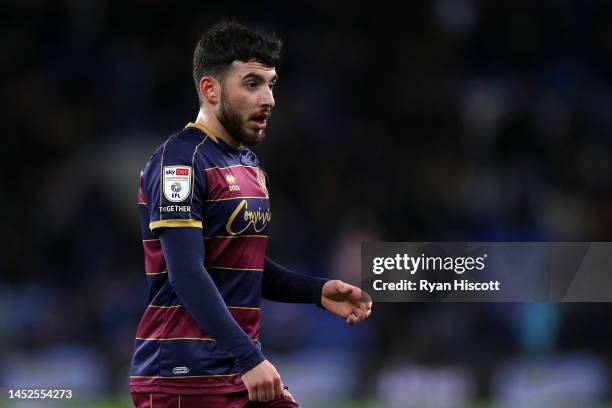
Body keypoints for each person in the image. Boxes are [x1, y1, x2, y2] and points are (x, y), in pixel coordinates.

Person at [130, 21, 372, 408]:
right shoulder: (180, 162)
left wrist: (315, 290)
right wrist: (249, 356)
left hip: (238, 369)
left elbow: (242, 264)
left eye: (271, 84)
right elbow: (187, 272)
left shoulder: (249, 165)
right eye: (252, 83)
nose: (269, 99)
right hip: (185, 375)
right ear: (210, 89)